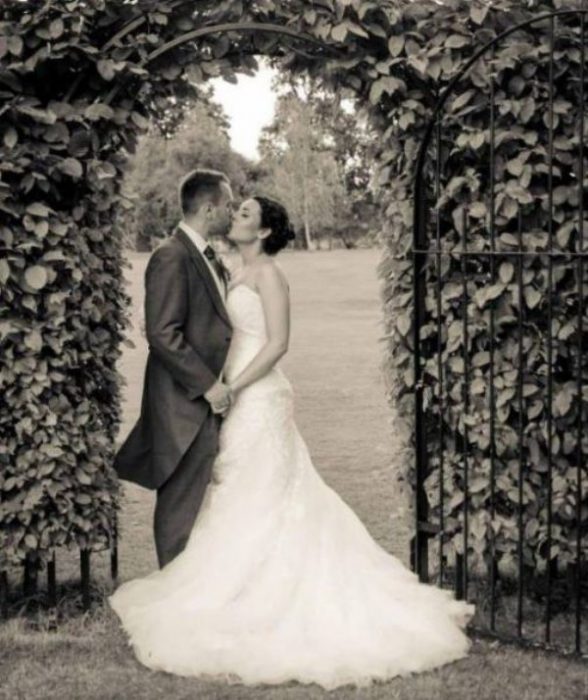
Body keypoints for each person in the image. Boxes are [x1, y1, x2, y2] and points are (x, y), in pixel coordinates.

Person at [109, 195, 474, 689]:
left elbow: (278, 343)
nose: (235, 214)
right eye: (234, 209)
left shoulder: (269, 276)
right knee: (234, 491)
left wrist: (234, 388)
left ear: (262, 233)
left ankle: (269, 598)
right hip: (228, 395)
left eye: (244, 214)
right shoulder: (233, 270)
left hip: (256, 396)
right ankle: (237, 592)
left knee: (266, 493)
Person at [113, 169, 235, 568]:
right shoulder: (172, 254)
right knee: (180, 500)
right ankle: (173, 589)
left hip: (203, 399)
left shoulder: (204, 255)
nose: (233, 212)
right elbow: (163, 333)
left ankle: (194, 584)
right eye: (229, 204)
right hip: (183, 402)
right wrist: (207, 386)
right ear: (208, 207)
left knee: (201, 497)